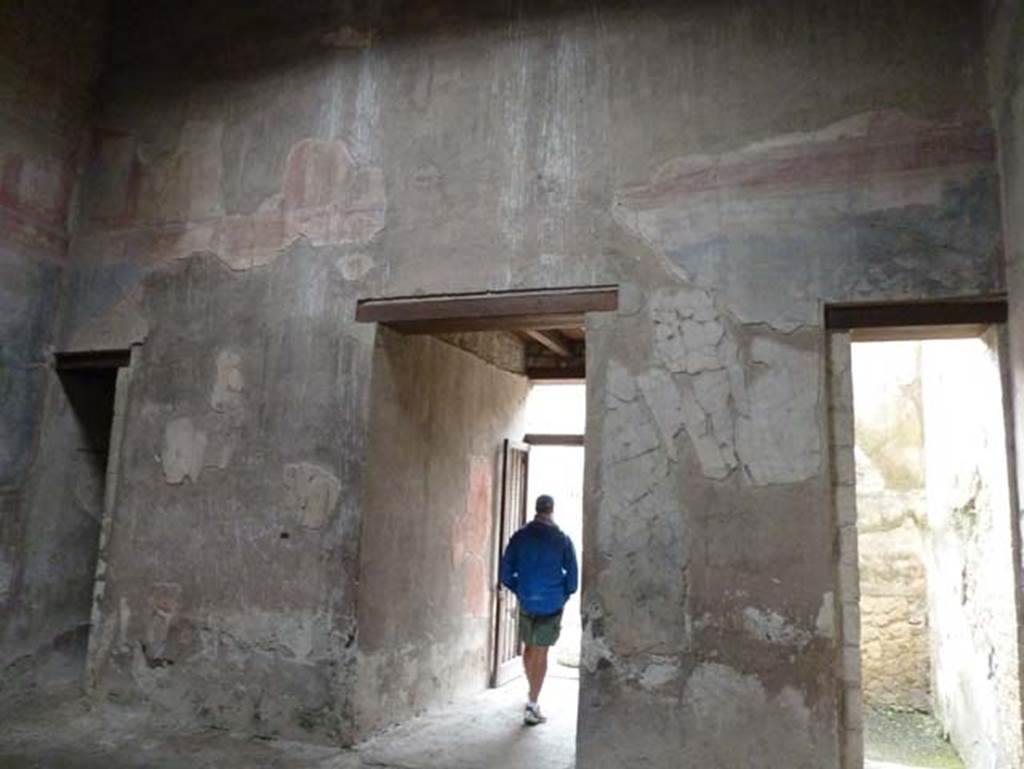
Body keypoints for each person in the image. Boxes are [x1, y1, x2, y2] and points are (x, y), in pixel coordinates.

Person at [499, 494, 578, 726]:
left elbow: (505, 574)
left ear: (536, 510)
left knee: (529, 647)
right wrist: (562, 594)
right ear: (552, 510)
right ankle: (533, 703)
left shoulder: (519, 537)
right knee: (541, 653)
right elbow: (572, 580)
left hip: (527, 600)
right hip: (551, 603)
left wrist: (520, 589)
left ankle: (531, 689)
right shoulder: (562, 539)